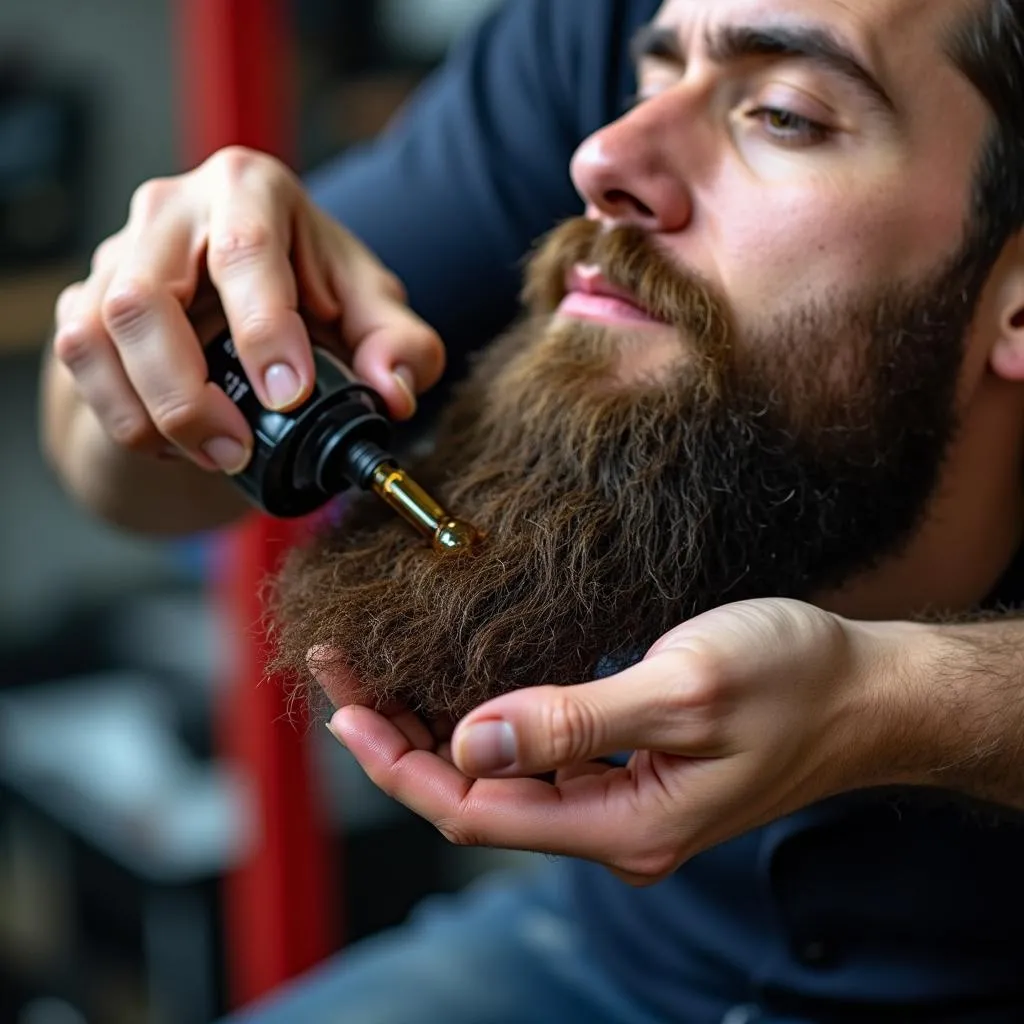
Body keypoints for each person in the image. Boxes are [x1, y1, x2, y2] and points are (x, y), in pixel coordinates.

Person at [39, 0, 1024, 1022]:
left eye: (782, 114)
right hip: (623, 950)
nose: (600, 154)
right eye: (651, 76)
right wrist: (146, 339)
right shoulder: (588, 37)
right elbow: (108, 460)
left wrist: (899, 701)